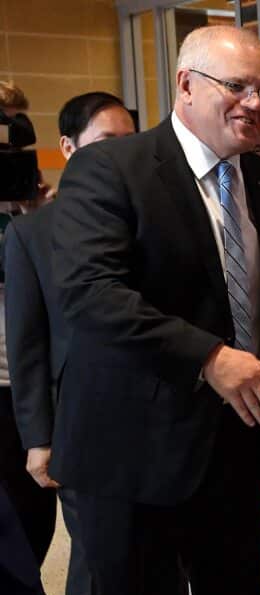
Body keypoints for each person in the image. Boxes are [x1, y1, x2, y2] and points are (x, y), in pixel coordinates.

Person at [51, 26, 260, 595]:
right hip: (134, 455)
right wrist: (210, 359)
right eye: (237, 87)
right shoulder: (113, 169)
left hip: (238, 449)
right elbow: (92, 294)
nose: (254, 103)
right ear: (186, 85)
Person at [5, 91, 134, 569]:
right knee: (99, 564)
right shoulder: (31, 234)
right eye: (106, 141)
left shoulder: (155, 219)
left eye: (129, 141)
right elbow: (29, 347)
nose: (121, 153)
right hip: (80, 424)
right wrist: (39, 438)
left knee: (158, 559)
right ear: (69, 147)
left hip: (155, 423)